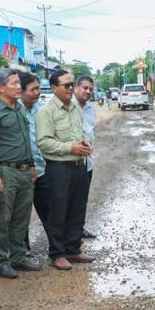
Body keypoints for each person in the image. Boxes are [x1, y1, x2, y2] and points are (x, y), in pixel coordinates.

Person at [0, 68, 41, 279]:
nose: (18, 87)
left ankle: (18, 256)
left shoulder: (19, 109)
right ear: (1, 87)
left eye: (18, 83)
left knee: (21, 217)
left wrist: (32, 165)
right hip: (5, 171)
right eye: (14, 83)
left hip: (24, 171)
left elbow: (26, 139)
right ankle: (1, 261)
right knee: (2, 218)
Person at [36, 70, 95, 271]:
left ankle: (73, 248)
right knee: (58, 211)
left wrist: (84, 144)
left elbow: (78, 134)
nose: (71, 88)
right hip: (59, 168)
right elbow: (43, 142)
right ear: (54, 88)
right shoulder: (46, 112)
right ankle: (57, 253)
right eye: (66, 85)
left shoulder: (75, 109)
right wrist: (70, 147)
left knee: (77, 209)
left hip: (79, 166)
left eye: (72, 85)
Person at [18, 72, 48, 250]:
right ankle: (22, 249)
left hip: (43, 168)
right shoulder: (15, 110)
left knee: (48, 209)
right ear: (21, 91)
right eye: (33, 89)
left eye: (38, 88)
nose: (37, 92)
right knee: (22, 213)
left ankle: (57, 248)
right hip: (23, 171)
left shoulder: (41, 110)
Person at [74, 75, 97, 239]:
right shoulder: (69, 107)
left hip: (87, 162)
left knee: (82, 198)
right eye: (85, 88)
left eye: (90, 89)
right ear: (76, 88)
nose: (88, 91)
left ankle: (79, 228)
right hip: (72, 161)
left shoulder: (90, 108)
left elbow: (89, 131)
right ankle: (69, 233)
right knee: (70, 198)